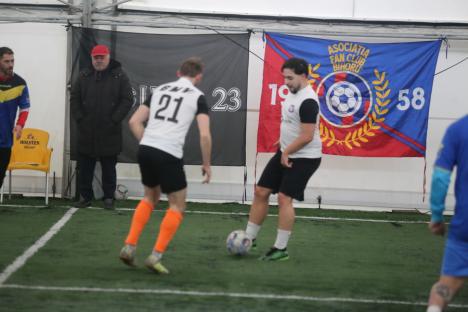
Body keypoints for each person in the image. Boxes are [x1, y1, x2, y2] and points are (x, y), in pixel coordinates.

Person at [119, 57, 212, 274]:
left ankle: (129, 247)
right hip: (169, 152)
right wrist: (207, 164)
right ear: (199, 77)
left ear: (179, 72)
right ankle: (155, 256)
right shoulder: (198, 96)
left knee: (149, 197)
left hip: (147, 149)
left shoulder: (160, 90)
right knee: (177, 206)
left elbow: (134, 121)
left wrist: (149, 144)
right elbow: (205, 134)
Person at [244, 57, 321, 261]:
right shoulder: (292, 93)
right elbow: (291, 122)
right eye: (284, 78)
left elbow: (307, 135)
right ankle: (249, 239)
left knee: (284, 198)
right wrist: (283, 141)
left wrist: (287, 152)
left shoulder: (309, 101)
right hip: (286, 151)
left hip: (305, 157)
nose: (286, 82)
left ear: (303, 76)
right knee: (261, 191)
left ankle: (280, 249)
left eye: (290, 78)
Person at [70, 44, 133, 210]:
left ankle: (109, 198)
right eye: (95, 57)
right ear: (91, 58)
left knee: (109, 168)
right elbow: (74, 98)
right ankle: (85, 197)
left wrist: (114, 119)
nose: (98, 60)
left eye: (101, 57)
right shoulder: (83, 75)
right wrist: (80, 118)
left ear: (108, 57)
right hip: (86, 131)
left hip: (109, 131)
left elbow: (127, 99)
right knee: (85, 168)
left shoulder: (120, 75)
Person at [426, 115, 468, 312]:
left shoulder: (458, 128)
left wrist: (437, 216)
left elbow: (441, 177)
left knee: (444, 287)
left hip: (464, 226)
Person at [0, 47, 30, 189]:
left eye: (12, 61)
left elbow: (25, 107)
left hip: (5, 140)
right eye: (6, 61)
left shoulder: (20, 83)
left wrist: (20, 125)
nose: (11, 64)